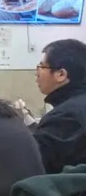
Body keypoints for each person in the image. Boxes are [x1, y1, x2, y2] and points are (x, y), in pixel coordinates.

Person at [31, 38, 86, 174]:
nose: (36, 73)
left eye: (41, 66)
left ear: (61, 74)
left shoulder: (64, 117)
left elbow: (35, 164)